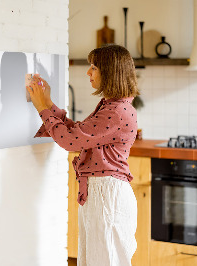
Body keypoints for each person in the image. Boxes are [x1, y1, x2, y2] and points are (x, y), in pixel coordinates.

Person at [27, 44, 139, 266]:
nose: (88, 72)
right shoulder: (112, 106)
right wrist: (48, 103)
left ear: (110, 72)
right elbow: (78, 133)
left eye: (94, 67)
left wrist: (42, 108)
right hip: (102, 193)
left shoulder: (116, 111)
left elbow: (70, 141)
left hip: (107, 195)